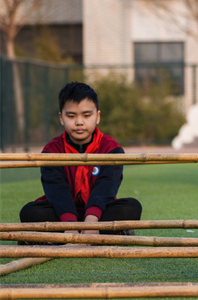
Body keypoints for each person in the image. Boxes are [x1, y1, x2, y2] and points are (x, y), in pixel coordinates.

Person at [19, 82, 142, 238]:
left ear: (97, 116)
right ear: (61, 118)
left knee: (131, 207)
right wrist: (69, 225)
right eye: (71, 116)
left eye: (86, 115)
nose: (79, 122)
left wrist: (91, 221)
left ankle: (61, 237)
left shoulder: (111, 149)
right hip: (62, 213)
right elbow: (56, 190)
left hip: (99, 213)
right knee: (30, 213)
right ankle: (107, 234)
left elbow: (106, 187)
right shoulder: (52, 151)